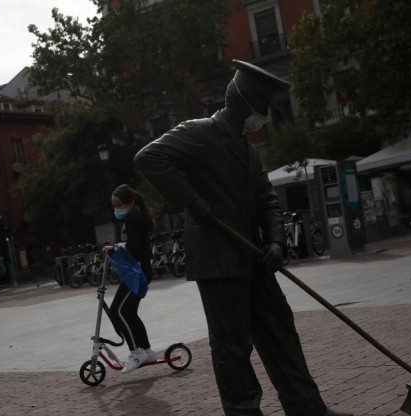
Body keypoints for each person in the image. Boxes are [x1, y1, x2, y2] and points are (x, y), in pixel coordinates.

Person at [134, 60, 351, 416]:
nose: (264, 116)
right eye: (263, 107)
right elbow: (148, 157)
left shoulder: (248, 150)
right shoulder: (200, 133)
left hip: (256, 258)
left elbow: (268, 201)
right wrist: (195, 203)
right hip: (219, 261)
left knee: (282, 334)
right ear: (245, 102)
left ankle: (307, 408)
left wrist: (277, 243)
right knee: (232, 349)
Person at [102, 184, 157, 374]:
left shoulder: (134, 217)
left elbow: (134, 246)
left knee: (119, 311)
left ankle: (136, 352)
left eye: (119, 205)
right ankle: (147, 350)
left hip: (138, 272)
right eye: (114, 206)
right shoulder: (132, 217)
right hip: (137, 271)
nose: (116, 209)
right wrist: (117, 247)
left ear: (130, 203)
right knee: (129, 312)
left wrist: (115, 248)